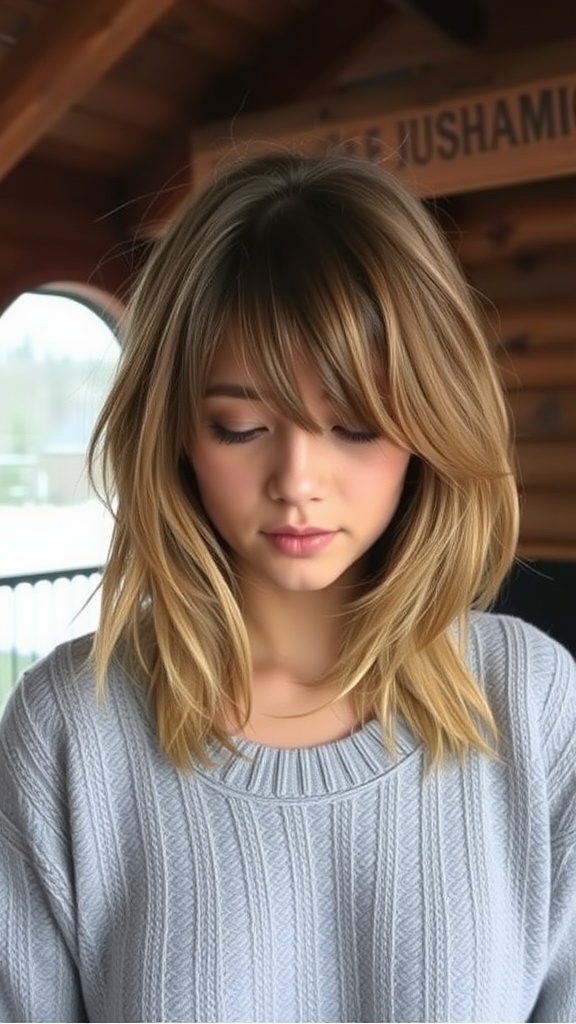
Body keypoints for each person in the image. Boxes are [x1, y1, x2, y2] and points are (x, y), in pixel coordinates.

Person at [0, 151, 574, 1024]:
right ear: (176, 433)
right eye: (241, 426)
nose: (296, 478)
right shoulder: (67, 733)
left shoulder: (537, 708)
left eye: (352, 425)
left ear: (428, 425)